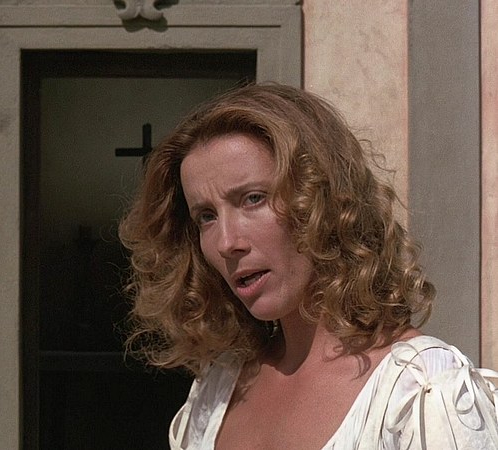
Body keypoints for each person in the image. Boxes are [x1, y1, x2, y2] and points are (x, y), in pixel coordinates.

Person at [119, 83, 498, 449]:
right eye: (206, 216)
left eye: (253, 199)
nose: (226, 242)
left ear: (324, 200)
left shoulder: (422, 392)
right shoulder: (220, 388)